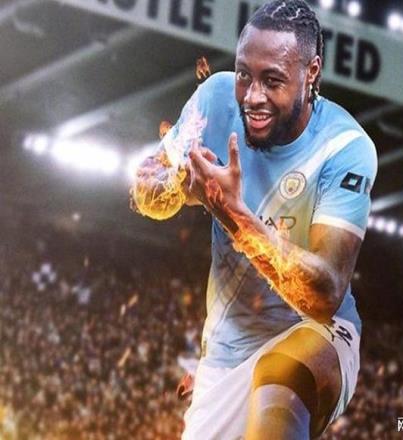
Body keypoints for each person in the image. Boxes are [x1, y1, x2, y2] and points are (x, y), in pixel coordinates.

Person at [134, 1, 377, 438]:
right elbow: (147, 188)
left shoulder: (344, 147)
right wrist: (179, 182)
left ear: (312, 72)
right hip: (225, 353)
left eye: (272, 80)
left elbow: (325, 293)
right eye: (244, 74)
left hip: (317, 332)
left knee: (280, 377)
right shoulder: (215, 99)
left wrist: (231, 213)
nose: (252, 96)